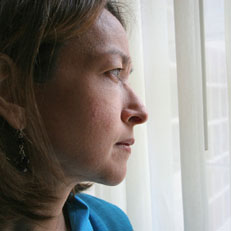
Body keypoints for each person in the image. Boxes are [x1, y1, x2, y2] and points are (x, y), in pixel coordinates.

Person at [0, 0, 148, 230]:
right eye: (113, 72)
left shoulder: (112, 223)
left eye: (126, 76)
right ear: (13, 93)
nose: (140, 112)